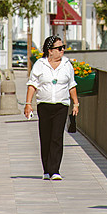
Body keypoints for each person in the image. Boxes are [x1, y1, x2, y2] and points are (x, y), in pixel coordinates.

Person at [24, 35, 79, 180]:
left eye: (63, 47)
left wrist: (76, 103)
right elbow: (32, 84)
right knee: (45, 137)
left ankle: (55, 170)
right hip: (44, 105)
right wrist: (28, 104)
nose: (62, 50)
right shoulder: (40, 64)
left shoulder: (67, 64)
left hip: (61, 105)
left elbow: (71, 85)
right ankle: (46, 170)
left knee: (57, 137)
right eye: (59, 48)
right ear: (50, 50)